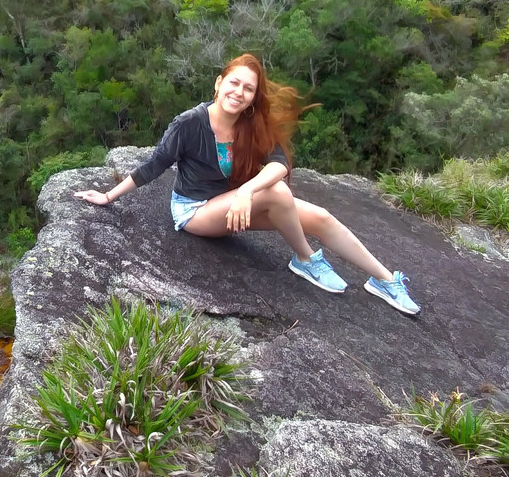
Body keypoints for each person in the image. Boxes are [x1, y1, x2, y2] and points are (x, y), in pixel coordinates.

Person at [72, 53, 420, 314]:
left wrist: (245, 192)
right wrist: (108, 196)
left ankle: (385, 280)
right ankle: (305, 258)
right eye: (233, 83)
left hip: (233, 203)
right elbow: (155, 165)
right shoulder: (190, 123)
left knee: (322, 217)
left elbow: (279, 164)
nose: (239, 92)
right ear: (218, 83)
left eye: (248, 88)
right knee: (278, 193)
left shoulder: (250, 125)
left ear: (253, 97)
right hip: (195, 212)